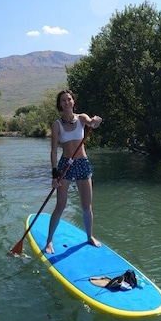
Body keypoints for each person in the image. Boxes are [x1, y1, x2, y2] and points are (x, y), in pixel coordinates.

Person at [44, 90, 103, 254]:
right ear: (60, 104)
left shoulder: (82, 118)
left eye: (69, 99)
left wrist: (96, 121)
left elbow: (93, 123)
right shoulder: (57, 125)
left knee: (87, 205)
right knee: (60, 205)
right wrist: (55, 174)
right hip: (65, 165)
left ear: (73, 101)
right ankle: (49, 241)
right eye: (63, 100)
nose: (66, 102)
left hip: (82, 164)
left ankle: (89, 236)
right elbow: (54, 151)